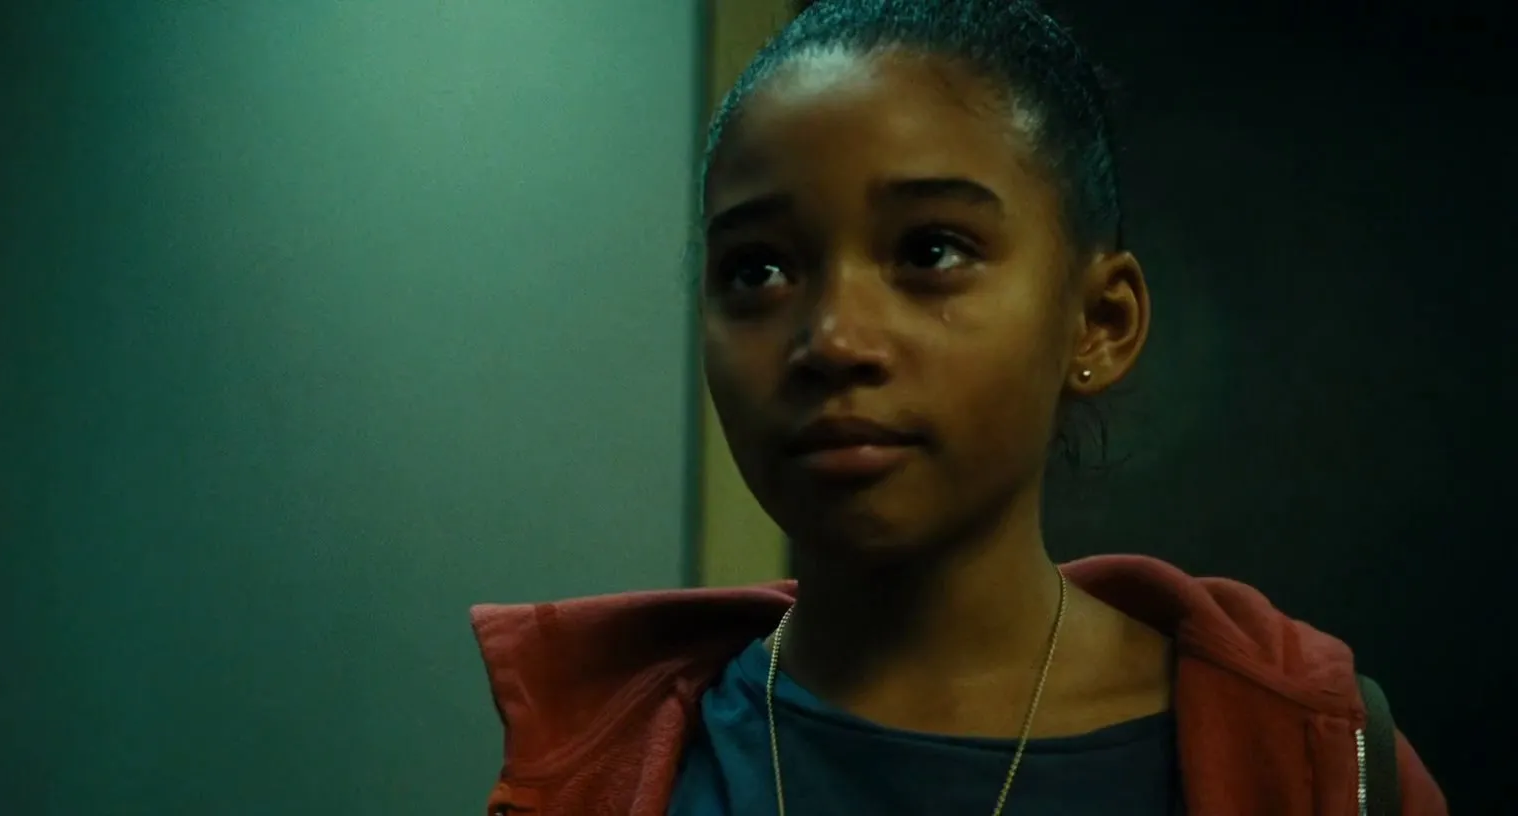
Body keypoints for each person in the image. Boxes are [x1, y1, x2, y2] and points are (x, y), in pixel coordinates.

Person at [470, 0, 1447, 813]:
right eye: (757, 269)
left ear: (1098, 322)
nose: (834, 338)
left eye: (931, 251)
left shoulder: (1318, 763)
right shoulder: (600, 772)